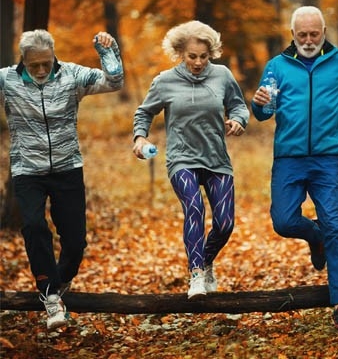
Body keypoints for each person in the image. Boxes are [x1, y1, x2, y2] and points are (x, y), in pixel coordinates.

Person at [251, 6, 338, 334]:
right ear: (293, 35)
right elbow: (263, 113)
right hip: (288, 158)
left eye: (314, 34)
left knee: (336, 227)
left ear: (323, 32)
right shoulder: (277, 67)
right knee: (283, 221)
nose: (309, 40)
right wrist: (258, 103)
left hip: (327, 159)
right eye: (302, 35)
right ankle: (316, 237)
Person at [0, 29, 124, 329]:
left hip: (67, 167)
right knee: (32, 225)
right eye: (34, 66)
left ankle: (57, 283)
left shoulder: (72, 75)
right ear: (23, 61)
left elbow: (115, 81)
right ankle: (51, 297)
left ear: (54, 55)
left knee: (75, 242)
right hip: (27, 169)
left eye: (46, 63)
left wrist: (108, 51)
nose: (41, 70)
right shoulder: (6, 79)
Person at [132, 21, 249, 300]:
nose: (198, 62)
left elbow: (238, 105)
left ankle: (206, 260)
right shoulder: (164, 81)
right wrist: (140, 137)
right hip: (181, 158)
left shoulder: (222, 75)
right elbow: (144, 113)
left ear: (211, 53)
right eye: (191, 56)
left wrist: (238, 120)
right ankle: (196, 273)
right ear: (180, 54)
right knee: (194, 207)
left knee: (225, 224)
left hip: (216, 159)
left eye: (203, 56)